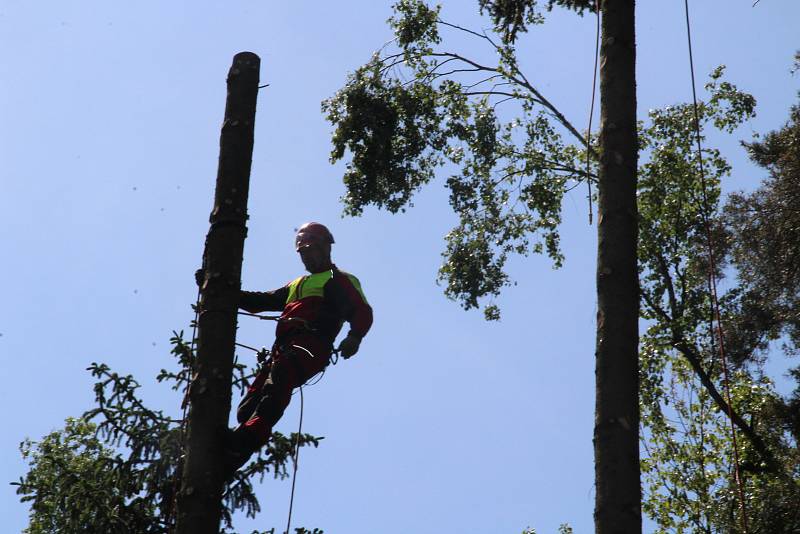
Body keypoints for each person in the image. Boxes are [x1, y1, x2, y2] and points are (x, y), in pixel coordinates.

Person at [220, 222, 373, 476]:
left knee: (281, 379)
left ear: (326, 248)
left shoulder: (338, 280)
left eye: (311, 251)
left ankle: (244, 440)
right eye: (303, 254)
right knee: (247, 407)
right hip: (283, 348)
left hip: (312, 344)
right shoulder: (297, 284)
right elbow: (261, 301)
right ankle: (234, 452)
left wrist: (355, 337)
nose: (307, 257)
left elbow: (362, 310)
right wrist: (221, 290)